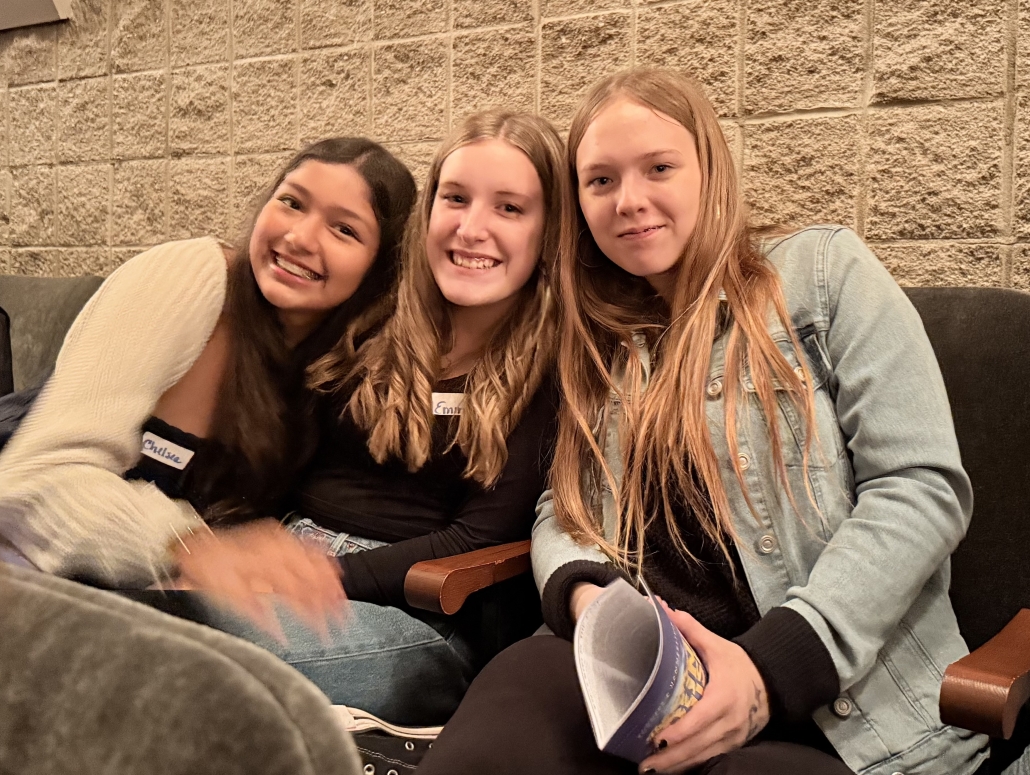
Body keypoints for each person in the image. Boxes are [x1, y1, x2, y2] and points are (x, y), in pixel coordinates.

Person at [417, 69, 990, 775]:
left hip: (832, 704)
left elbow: (920, 489)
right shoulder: (600, 337)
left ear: (709, 169)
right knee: (497, 726)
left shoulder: (821, 273)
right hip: (642, 678)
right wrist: (586, 596)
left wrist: (765, 670)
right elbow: (562, 506)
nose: (629, 201)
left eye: (658, 167)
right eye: (599, 182)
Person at [186, 108, 570, 725]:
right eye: (456, 197)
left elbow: (478, 539)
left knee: (178, 650)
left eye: (509, 208)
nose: (471, 228)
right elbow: (284, 455)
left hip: (413, 609)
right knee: (106, 612)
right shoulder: (374, 324)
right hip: (284, 557)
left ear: (549, 234)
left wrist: (306, 578)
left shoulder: (547, 370)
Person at [0, 138, 417, 635]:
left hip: (121, 610)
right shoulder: (193, 276)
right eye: (291, 202)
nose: (301, 236)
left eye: (344, 229)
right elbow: (32, 481)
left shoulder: (330, 373)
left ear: (379, 268)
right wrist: (189, 544)